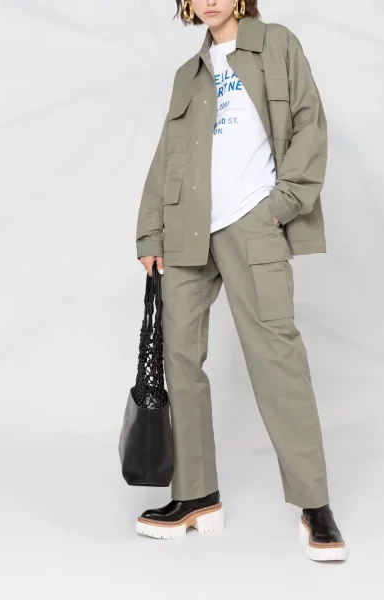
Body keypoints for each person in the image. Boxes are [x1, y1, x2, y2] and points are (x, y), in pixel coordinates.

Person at [134, 0, 348, 561]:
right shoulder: (188, 74)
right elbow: (166, 156)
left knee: (277, 358)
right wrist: (150, 232)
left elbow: (309, 124)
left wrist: (282, 205)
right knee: (180, 358)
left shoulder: (276, 44)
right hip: (186, 230)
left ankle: (315, 504)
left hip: (253, 222)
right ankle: (196, 494)